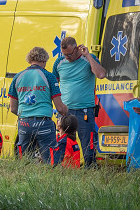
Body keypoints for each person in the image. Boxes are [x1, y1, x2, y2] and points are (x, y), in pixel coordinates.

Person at [8, 46, 69, 164]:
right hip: (43, 123)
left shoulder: (17, 77)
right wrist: (66, 111)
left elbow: (13, 108)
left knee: (25, 162)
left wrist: (26, 115)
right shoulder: (49, 76)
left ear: (30, 59)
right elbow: (60, 108)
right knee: (51, 162)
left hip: (24, 123)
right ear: (44, 60)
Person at [53, 36, 107, 168]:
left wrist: (88, 55)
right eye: (65, 54)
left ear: (77, 48)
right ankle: (64, 172)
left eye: (70, 54)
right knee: (63, 146)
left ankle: (90, 170)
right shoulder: (59, 62)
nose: (67, 57)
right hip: (65, 112)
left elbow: (101, 74)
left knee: (88, 148)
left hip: (85, 111)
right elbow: (54, 84)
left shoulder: (88, 59)